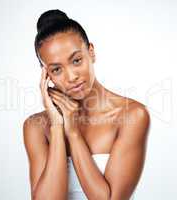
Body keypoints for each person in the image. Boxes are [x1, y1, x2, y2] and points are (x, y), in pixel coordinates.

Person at [23, 9, 150, 200]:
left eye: (76, 60)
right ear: (46, 75)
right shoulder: (35, 127)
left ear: (91, 52)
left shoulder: (132, 115)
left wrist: (73, 133)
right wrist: (58, 126)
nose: (72, 76)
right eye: (57, 69)